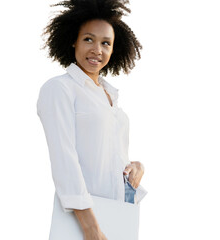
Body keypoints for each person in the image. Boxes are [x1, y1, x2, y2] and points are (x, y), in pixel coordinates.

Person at [36, 0, 147, 239]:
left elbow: (105, 157)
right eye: (88, 39)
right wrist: (91, 228)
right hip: (86, 224)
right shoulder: (59, 89)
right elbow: (64, 159)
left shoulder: (110, 97)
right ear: (73, 40)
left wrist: (134, 170)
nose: (97, 49)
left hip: (119, 215)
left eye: (106, 43)